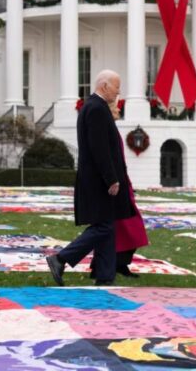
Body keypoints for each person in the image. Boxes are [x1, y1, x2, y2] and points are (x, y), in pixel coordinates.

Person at [46, 70, 136, 286]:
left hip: (96, 179)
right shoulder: (96, 109)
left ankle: (105, 276)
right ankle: (61, 258)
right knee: (104, 226)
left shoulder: (95, 107)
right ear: (104, 86)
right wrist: (111, 178)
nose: (119, 91)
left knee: (107, 225)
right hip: (98, 181)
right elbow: (100, 149)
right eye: (116, 86)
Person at [105, 99, 149, 278]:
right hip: (116, 186)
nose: (118, 109)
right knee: (127, 227)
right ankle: (117, 263)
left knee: (130, 227)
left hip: (122, 184)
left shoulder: (113, 129)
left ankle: (120, 263)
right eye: (115, 106)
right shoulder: (109, 129)